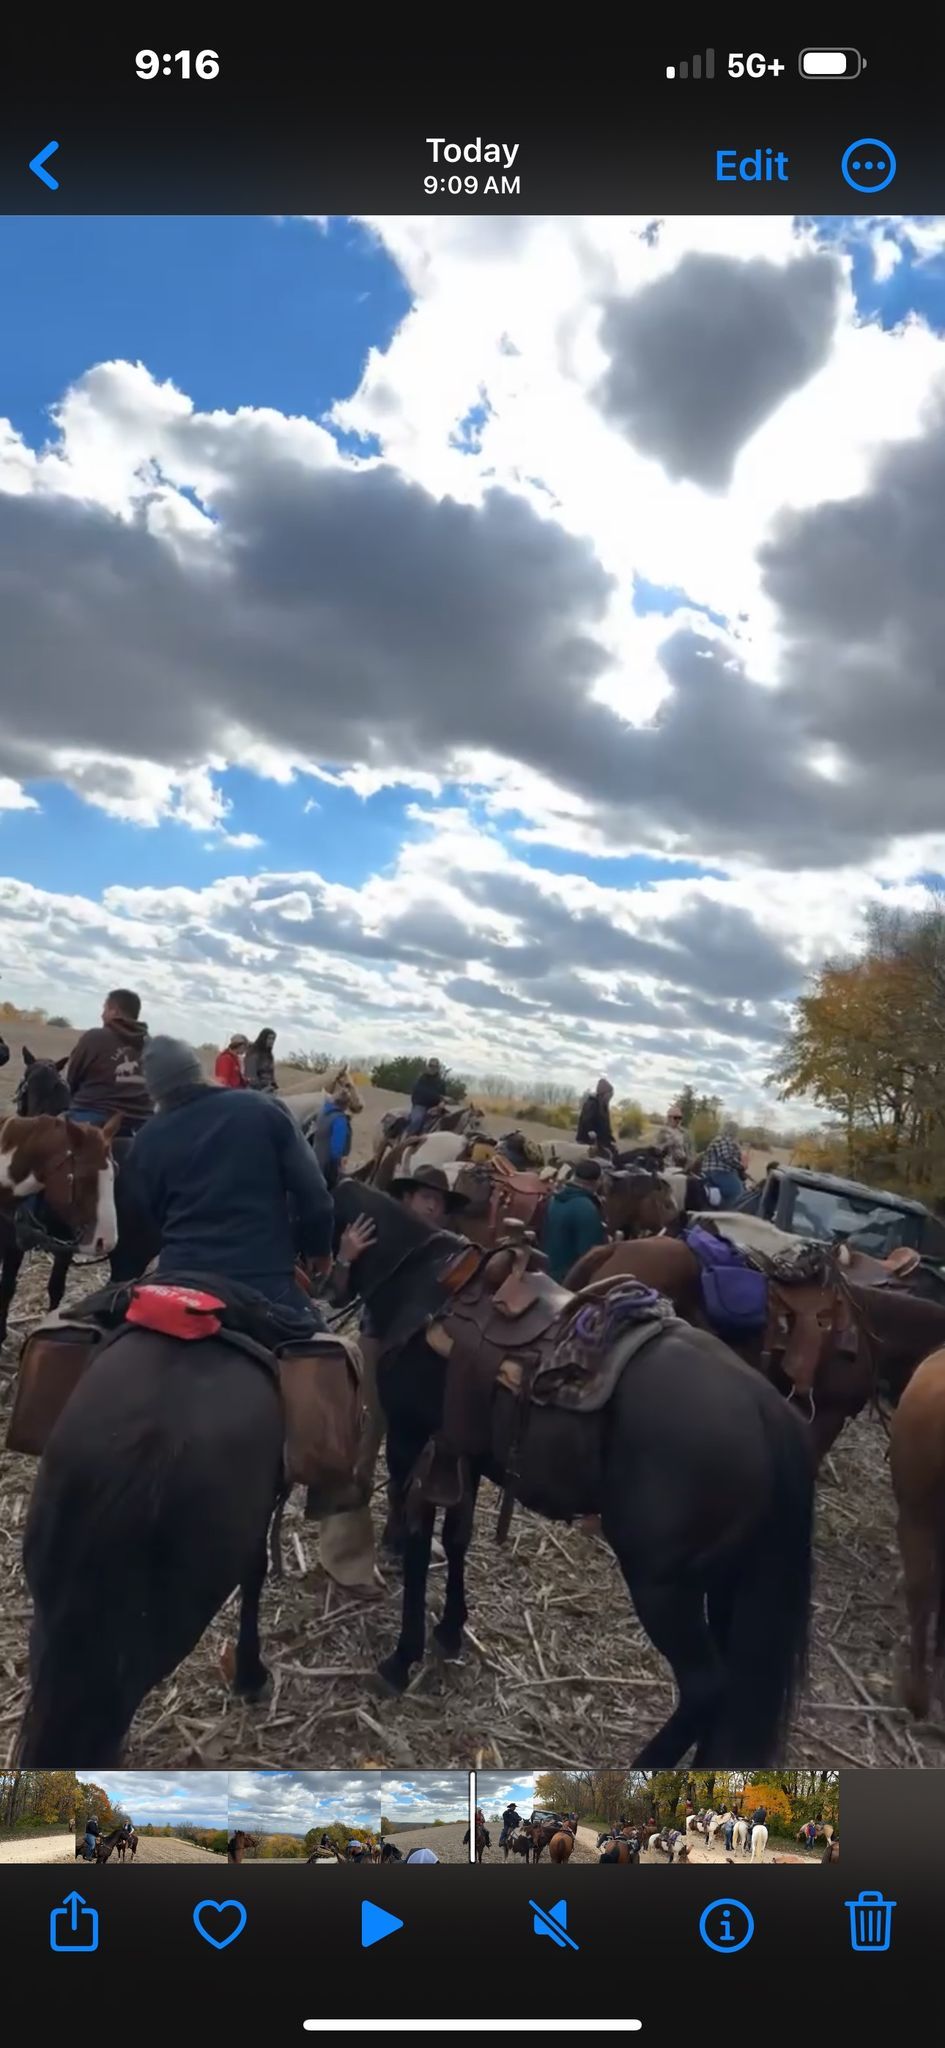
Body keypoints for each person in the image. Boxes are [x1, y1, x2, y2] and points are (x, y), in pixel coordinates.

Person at [121, 1035, 333, 1318]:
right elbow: (315, 1195)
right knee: (328, 1351)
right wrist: (319, 1250)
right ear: (199, 1071)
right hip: (262, 1280)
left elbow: (149, 1217)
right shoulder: (264, 1109)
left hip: (177, 1278)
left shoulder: (145, 1140)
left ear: (154, 1091)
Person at [65, 988, 151, 1136]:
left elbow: (73, 1078)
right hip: (142, 1123)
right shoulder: (153, 1045)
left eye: (105, 1009)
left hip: (92, 1116)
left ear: (114, 1011)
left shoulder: (94, 1038)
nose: (102, 1015)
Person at [543, 1158, 608, 1281]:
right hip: (571, 1279)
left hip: (550, 1272)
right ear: (598, 1181)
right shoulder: (586, 1208)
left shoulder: (554, 1200)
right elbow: (590, 1255)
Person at [309, 1079, 359, 1191]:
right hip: (326, 1170)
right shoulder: (339, 1120)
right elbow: (336, 1150)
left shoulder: (322, 1113)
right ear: (346, 1105)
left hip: (313, 1163)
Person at [388, 1162, 470, 1228]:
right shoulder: (387, 1228)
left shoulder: (447, 1244)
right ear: (408, 1197)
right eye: (426, 1196)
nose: (432, 1206)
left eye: (439, 1200)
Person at [700, 1120, 747, 1207]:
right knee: (737, 1190)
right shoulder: (723, 1140)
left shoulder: (726, 1141)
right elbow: (726, 1157)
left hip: (719, 1171)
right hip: (718, 1171)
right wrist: (741, 1167)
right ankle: (724, 1210)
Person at [575, 1078, 617, 1160]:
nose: (610, 1098)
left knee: (613, 1153)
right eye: (609, 1095)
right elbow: (586, 1120)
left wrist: (610, 1138)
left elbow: (605, 1126)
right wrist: (591, 1132)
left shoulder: (604, 1106)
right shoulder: (592, 1103)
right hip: (587, 1140)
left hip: (600, 1140)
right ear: (603, 1094)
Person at [407, 1057, 448, 1135]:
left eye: (435, 1066)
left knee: (448, 1121)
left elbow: (443, 1095)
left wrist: (442, 1102)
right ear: (428, 1067)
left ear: (438, 1068)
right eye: (431, 1066)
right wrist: (438, 1097)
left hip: (435, 1108)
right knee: (417, 1120)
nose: (433, 1068)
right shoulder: (422, 1079)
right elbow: (421, 1093)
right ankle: (407, 1139)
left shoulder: (441, 1083)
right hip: (420, 1106)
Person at [654, 1105, 693, 1170]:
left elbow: (688, 1149)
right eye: (675, 1118)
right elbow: (657, 1150)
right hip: (669, 1165)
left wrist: (689, 1160)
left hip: (683, 1165)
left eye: (680, 1118)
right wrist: (668, 1143)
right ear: (669, 1118)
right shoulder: (663, 1132)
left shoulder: (683, 1132)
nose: (678, 1120)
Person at [244, 1028, 277, 1092]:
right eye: (269, 1038)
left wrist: (273, 1085)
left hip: (268, 1088)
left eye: (273, 1039)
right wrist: (260, 1089)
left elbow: (271, 1073)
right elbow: (251, 1074)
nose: (271, 1041)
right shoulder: (254, 1053)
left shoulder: (269, 1054)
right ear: (263, 1038)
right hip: (255, 1090)